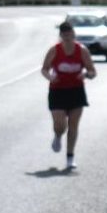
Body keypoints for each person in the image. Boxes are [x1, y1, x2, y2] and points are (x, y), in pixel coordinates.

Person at [42, 21, 97, 170]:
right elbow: (44, 69)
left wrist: (86, 74)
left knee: (73, 126)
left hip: (76, 91)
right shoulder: (54, 50)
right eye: (64, 34)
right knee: (60, 125)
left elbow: (93, 71)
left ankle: (70, 157)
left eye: (69, 34)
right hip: (57, 91)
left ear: (74, 34)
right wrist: (50, 77)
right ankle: (58, 135)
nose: (67, 37)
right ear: (60, 36)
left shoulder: (82, 50)